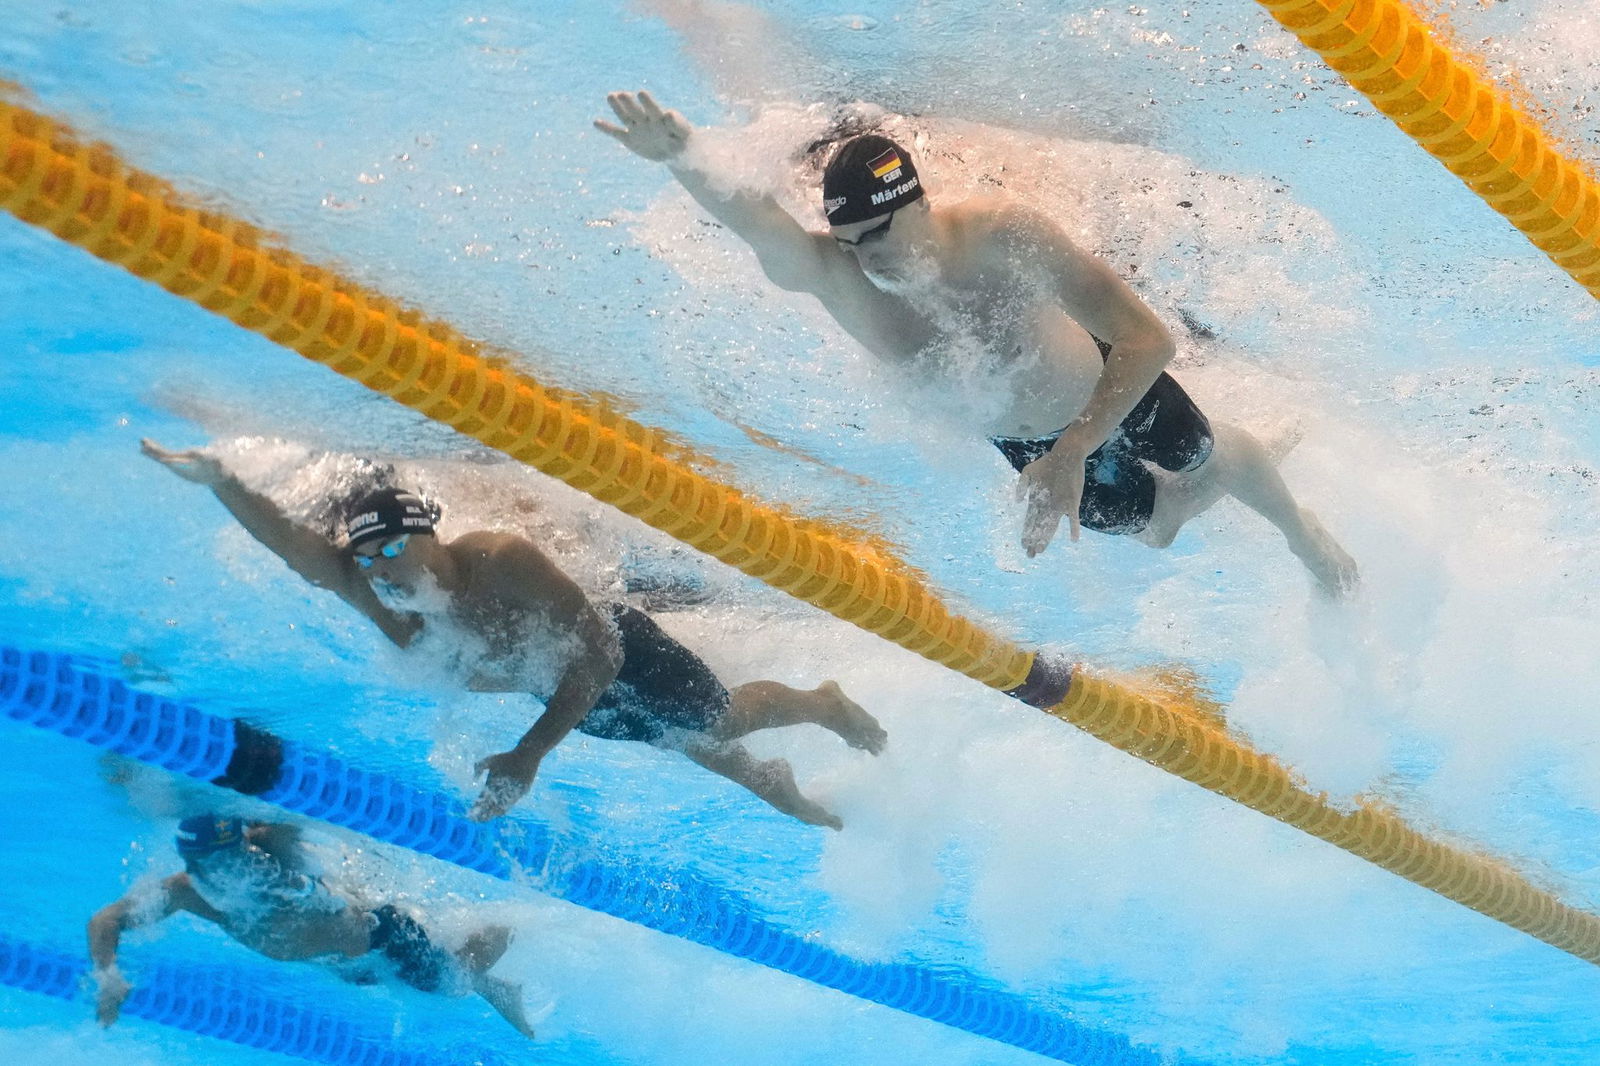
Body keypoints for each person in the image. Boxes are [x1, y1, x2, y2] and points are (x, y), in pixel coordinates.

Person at [594, 91, 1358, 595]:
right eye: (851, 242)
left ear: (919, 202)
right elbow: (761, 224)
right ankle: (1186, 504)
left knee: (1208, 454)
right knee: (1152, 530)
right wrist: (683, 158)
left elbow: (1146, 338)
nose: (870, 257)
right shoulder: (841, 277)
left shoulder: (1000, 235)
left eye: (882, 232)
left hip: (1104, 391)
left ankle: (1305, 538)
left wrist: (1073, 453)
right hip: (1027, 445)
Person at [139, 439, 885, 828]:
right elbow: (299, 550)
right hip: (554, 688)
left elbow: (599, 657)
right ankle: (774, 782)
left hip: (610, 653)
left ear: (430, 533)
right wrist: (223, 482)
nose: (383, 570)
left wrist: (529, 754)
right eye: (367, 560)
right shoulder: (383, 599)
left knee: (716, 719)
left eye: (394, 549)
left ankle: (821, 702)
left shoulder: (501, 560)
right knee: (678, 741)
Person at [87, 814, 537, 1037]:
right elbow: (106, 919)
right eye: (219, 861)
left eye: (237, 854)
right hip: (343, 964)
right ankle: (496, 984)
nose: (234, 867)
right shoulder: (188, 891)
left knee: (452, 981)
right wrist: (108, 976)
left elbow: (284, 815)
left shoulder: (269, 848)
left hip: (382, 936)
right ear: (196, 861)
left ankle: (526, 920)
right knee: (449, 982)